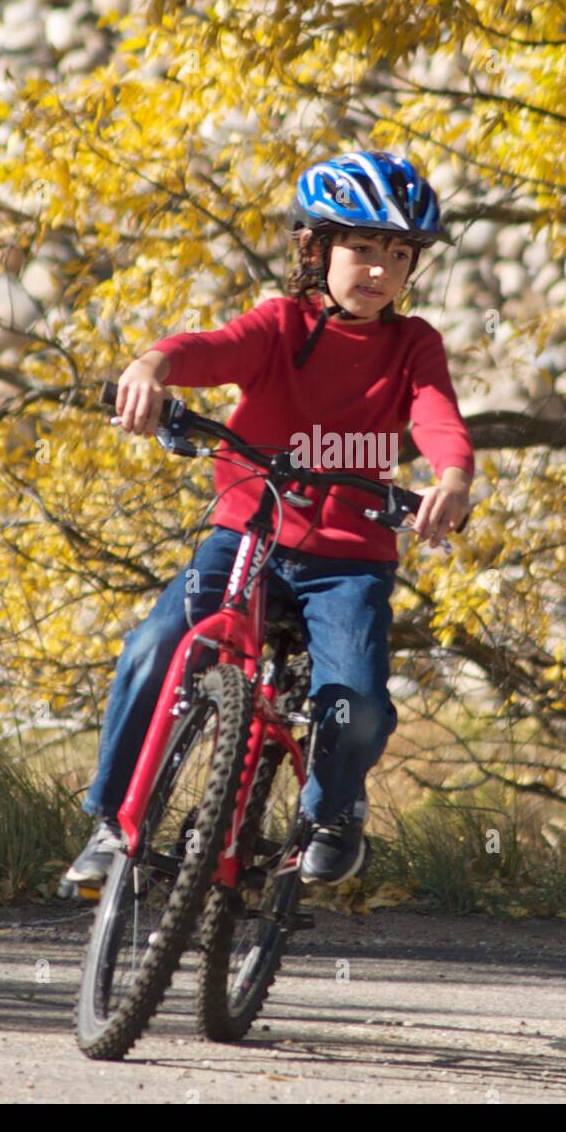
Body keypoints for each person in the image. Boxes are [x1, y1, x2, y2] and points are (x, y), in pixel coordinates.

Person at [61, 150, 474, 893]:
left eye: (398, 254)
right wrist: (153, 366)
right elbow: (211, 350)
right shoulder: (281, 324)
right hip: (246, 536)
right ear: (316, 250)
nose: (378, 269)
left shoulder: (414, 345)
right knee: (156, 647)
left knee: (355, 703)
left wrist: (450, 477)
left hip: (349, 558)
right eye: (361, 248)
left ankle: (330, 815)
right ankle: (112, 822)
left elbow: (436, 414)